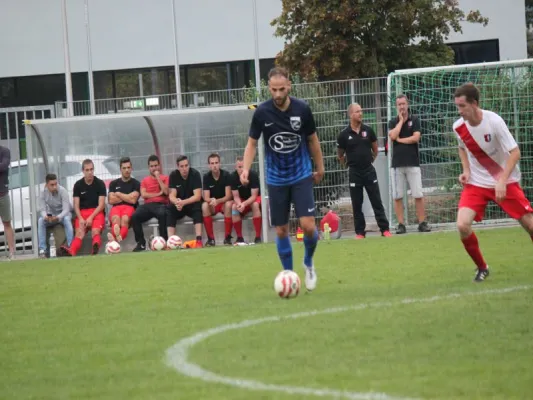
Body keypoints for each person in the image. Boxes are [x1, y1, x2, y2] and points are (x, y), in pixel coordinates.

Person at [241, 66, 325, 291]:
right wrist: (246, 169)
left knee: (308, 226)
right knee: (280, 230)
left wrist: (320, 167)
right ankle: (288, 273)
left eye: (281, 89)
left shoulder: (302, 109)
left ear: (289, 86)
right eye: (273, 90)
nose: (277, 94)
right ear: (269, 88)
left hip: (301, 174)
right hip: (276, 178)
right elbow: (251, 144)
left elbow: (313, 141)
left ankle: (308, 263)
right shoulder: (262, 113)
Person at [453, 82, 533, 282]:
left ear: (475, 103)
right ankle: (482, 268)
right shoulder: (458, 127)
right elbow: (462, 148)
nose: (459, 111)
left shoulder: (494, 121)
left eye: (462, 106)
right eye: (458, 106)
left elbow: (515, 153)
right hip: (476, 184)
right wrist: (466, 170)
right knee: (462, 225)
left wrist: (502, 181)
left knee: (530, 225)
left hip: (505, 180)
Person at [337, 103, 391, 239]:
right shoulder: (344, 135)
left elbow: (375, 150)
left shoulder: (368, 130)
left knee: (376, 201)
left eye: (361, 111)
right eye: (357, 111)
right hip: (354, 173)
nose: (360, 113)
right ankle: (360, 232)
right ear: (350, 114)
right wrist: (348, 165)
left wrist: (368, 162)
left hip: (369, 171)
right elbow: (340, 155)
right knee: (357, 203)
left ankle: (385, 229)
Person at [388, 94, 431, 234]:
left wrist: (400, 141)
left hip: (413, 162)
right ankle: (401, 224)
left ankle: (422, 223)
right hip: (397, 165)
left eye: (403, 104)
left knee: (418, 194)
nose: (401, 107)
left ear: (408, 104)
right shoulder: (392, 122)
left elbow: (416, 138)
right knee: (398, 195)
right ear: (396, 106)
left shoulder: (415, 120)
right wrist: (400, 122)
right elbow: (393, 136)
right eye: (399, 104)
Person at [61, 159, 106, 256]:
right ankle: (71, 251)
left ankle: (95, 248)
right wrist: (81, 218)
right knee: (79, 233)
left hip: (97, 212)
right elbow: (76, 205)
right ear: (83, 171)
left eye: (91, 169)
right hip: (82, 213)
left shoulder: (100, 183)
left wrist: (91, 217)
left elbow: (101, 205)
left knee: (95, 231)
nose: (90, 172)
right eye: (87, 170)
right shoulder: (78, 185)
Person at [130, 155, 169, 252]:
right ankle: (141, 243)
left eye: (156, 166)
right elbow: (144, 195)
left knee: (162, 213)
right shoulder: (144, 180)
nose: (154, 168)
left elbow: (166, 192)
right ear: (149, 167)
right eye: (152, 166)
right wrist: (158, 193)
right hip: (148, 205)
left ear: (159, 166)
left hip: (161, 204)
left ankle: (163, 241)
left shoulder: (165, 178)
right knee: (135, 216)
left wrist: (158, 178)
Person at [167, 155, 203, 248]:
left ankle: (199, 240)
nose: (184, 169)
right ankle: (170, 242)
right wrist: (177, 202)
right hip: (180, 206)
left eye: (186, 165)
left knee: (198, 206)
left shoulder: (195, 174)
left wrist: (183, 202)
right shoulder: (173, 175)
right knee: (170, 208)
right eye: (182, 166)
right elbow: (171, 195)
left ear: (189, 165)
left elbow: (197, 196)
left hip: (191, 204)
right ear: (178, 167)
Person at [37, 173, 73, 258]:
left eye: (55, 184)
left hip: (64, 215)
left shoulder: (63, 191)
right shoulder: (42, 192)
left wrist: (58, 217)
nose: (54, 187)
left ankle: (70, 247)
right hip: (53, 215)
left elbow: (66, 210)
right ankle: (43, 250)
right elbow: (42, 209)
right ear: (46, 185)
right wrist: (46, 216)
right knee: (41, 221)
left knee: (67, 220)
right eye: (52, 185)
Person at [202, 153, 233, 246]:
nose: (214, 165)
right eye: (212, 163)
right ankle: (211, 239)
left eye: (216, 163)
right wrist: (211, 201)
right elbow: (206, 197)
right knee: (204, 206)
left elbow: (228, 196)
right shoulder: (206, 177)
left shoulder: (226, 175)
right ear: (209, 165)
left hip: (223, 204)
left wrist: (217, 201)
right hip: (212, 205)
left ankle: (227, 238)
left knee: (229, 204)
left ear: (219, 163)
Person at [107, 157, 141, 243]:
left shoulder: (136, 183)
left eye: (128, 168)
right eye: (124, 168)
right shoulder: (113, 183)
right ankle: (117, 239)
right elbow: (111, 200)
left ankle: (115, 240)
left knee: (125, 219)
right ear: (120, 169)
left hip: (130, 207)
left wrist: (119, 194)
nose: (126, 170)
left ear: (131, 168)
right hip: (116, 208)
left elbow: (133, 200)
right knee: (116, 219)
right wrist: (127, 197)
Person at [230, 156, 262, 244]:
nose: (241, 169)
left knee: (255, 205)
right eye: (239, 167)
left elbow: (254, 196)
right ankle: (240, 237)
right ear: (236, 167)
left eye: (243, 167)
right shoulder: (233, 177)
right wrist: (240, 204)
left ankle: (258, 237)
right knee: (234, 208)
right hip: (242, 199)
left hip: (253, 199)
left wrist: (244, 204)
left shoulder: (253, 175)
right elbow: (235, 196)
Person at [0, 145, 15, 260]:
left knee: (7, 223)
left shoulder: (5, 151)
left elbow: (3, 166)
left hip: (2, 193)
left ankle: (11, 252)